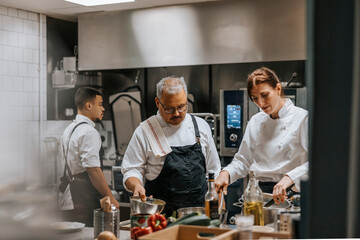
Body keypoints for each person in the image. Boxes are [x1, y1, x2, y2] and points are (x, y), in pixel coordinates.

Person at [121, 76, 221, 216]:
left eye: (181, 107)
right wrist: (137, 185)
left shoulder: (201, 127)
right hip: (161, 217)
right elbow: (131, 169)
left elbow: (214, 170)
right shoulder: (146, 131)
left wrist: (218, 204)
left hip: (200, 215)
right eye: (169, 109)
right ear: (158, 102)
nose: (176, 114)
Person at [215, 67, 308, 204]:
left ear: (278, 89)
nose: (261, 103)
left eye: (264, 95)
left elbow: (317, 162)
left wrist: (290, 177)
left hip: (289, 194)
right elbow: (243, 160)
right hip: (257, 195)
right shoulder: (256, 121)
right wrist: (226, 173)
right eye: (255, 98)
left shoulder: (302, 118)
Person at [58, 87, 119, 226]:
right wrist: (110, 198)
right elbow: (93, 170)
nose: (103, 109)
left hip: (68, 199)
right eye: (100, 104)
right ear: (88, 105)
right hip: (83, 200)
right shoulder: (89, 132)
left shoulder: (69, 129)